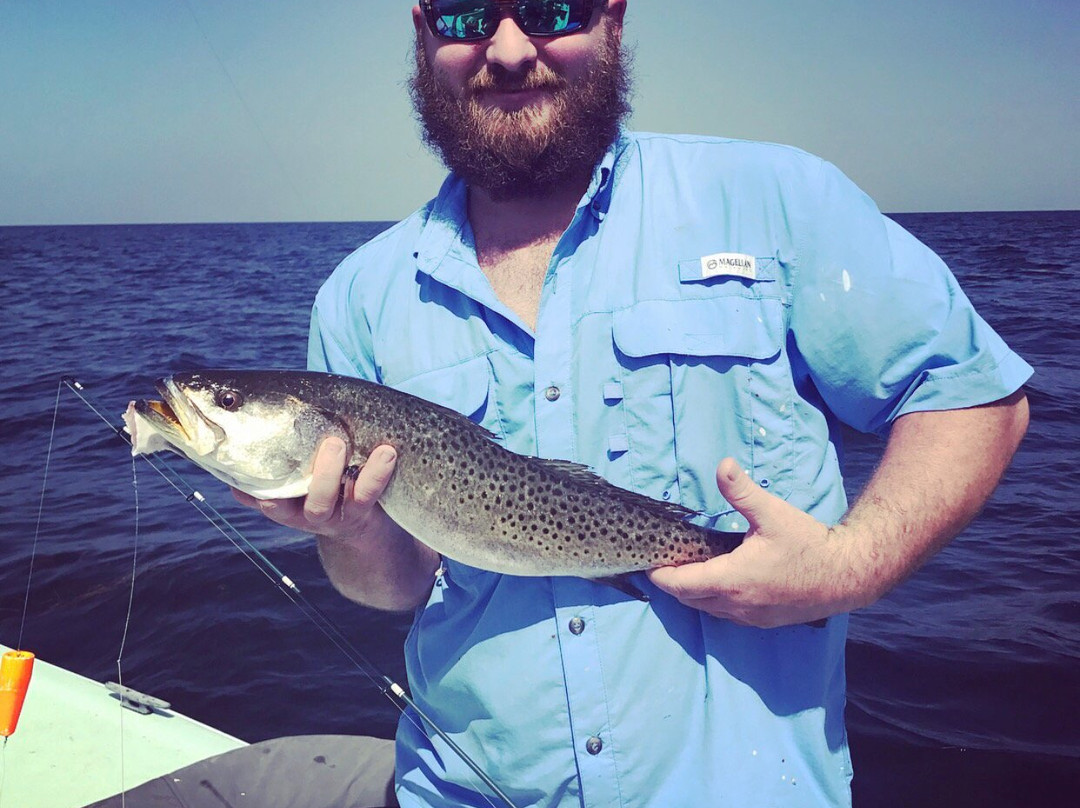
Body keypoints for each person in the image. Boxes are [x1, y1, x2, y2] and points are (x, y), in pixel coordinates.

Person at [234, 1, 1032, 805]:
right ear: (423, 31)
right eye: (467, 15)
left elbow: (971, 397)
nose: (507, 50)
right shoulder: (359, 296)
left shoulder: (775, 199)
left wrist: (847, 567)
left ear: (612, 18)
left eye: (549, 9)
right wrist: (351, 531)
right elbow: (395, 587)